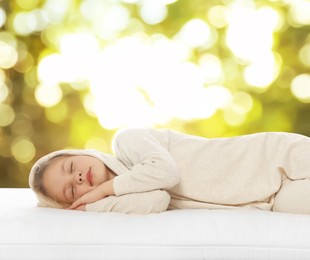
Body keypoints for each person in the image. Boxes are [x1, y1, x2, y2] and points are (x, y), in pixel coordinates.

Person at [29, 128, 310, 215]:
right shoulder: (125, 196)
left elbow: (166, 172)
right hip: (269, 199)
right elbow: (157, 200)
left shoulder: (126, 142)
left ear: (81, 153)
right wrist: (94, 207)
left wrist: (104, 189)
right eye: (71, 191)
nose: (77, 178)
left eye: (70, 167)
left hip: (272, 156)